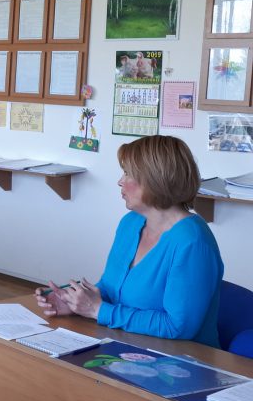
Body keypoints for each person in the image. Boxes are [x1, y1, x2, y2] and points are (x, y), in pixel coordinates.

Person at [35, 135, 223, 346]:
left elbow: (177, 327)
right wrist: (74, 303)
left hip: (182, 357)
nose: (120, 181)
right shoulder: (131, 223)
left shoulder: (192, 242)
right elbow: (111, 288)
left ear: (155, 180)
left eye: (127, 173)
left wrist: (98, 310)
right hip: (125, 342)